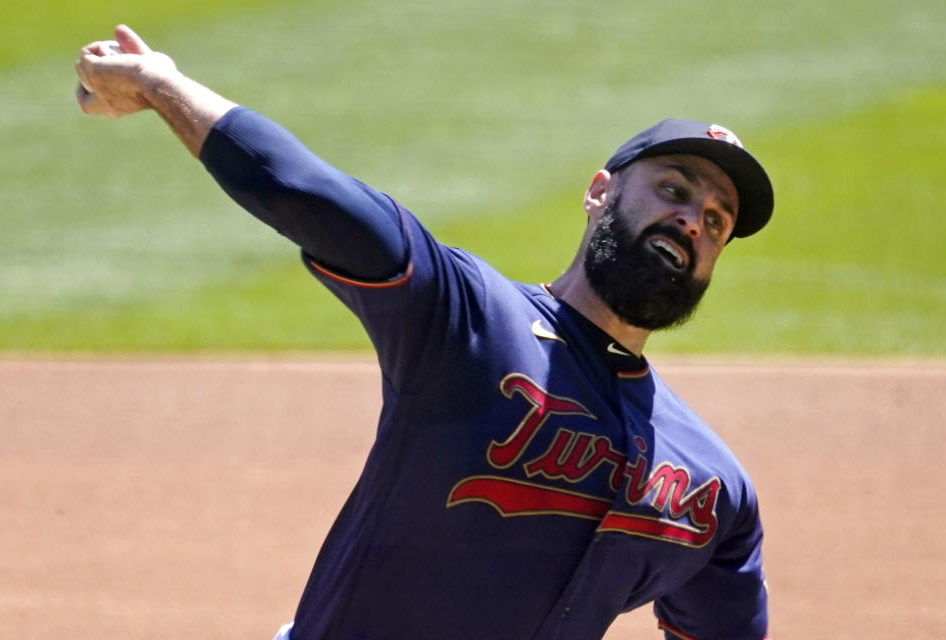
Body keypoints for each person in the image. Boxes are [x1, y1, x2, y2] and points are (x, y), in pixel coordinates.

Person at [75, 25, 774, 640]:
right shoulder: (467, 316)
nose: (692, 221)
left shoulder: (713, 488)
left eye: (716, 221)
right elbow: (306, 192)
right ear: (601, 193)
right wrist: (160, 85)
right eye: (675, 190)